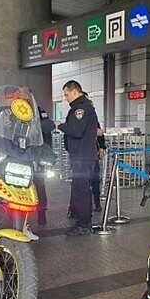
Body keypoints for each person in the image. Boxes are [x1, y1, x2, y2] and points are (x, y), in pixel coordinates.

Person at [57, 81, 98, 236]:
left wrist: (59, 125)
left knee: (82, 190)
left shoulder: (80, 109)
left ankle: (84, 224)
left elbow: (76, 131)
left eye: (66, 94)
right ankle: (79, 217)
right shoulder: (85, 106)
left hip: (82, 156)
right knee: (80, 188)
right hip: (83, 155)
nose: (66, 98)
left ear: (74, 91)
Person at [35, 105, 55, 225]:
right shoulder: (13, 109)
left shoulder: (38, 110)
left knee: (39, 183)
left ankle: (41, 214)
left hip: (37, 152)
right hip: (17, 152)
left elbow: (47, 127)